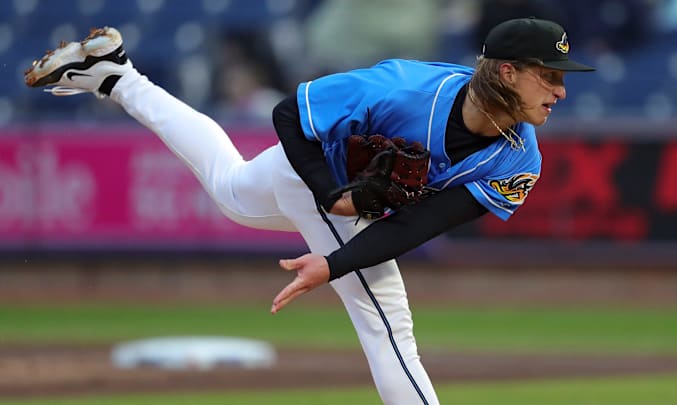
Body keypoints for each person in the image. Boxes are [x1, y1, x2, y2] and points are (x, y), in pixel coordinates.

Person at [25, 18, 594, 405]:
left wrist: (335, 261)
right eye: (550, 76)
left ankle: (117, 76)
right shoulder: (400, 90)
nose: (561, 92)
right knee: (387, 319)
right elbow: (289, 115)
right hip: (315, 167)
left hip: (333, 190)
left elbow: (419, 224)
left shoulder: (520, 158)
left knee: (230, 190)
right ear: (506, 72)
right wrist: (332, 199)